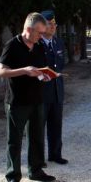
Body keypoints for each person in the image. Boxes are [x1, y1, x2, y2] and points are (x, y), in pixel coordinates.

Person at [0, 12, 56, 182]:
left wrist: (44, 76)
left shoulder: (38, 47)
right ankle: (13, 175)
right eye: (39, 33)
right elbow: (1, 72)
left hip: (37, 99)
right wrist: (24, 70)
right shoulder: (12, 45)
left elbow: (41, 68)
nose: (41, 36)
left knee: (37, 137)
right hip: (17, 101)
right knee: (14, 140)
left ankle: (36, 170)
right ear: (28, 29)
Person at [40, 10, 67, 165]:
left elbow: (60, 65)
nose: (52, 27)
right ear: (42, 26)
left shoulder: (58, 42)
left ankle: (55, 154)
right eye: (49, 24)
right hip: (42, 92)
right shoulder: (37, 44)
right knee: (39, 126)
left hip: (57, 90)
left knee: (56, 124)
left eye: (54, 24)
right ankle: (39, 158)